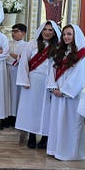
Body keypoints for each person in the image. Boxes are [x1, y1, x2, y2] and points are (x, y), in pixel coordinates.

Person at [46, 24, 85, 160]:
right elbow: (51, 71)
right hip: (57, 93)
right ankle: (55, 149)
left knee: (70, 124)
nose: (66, 37)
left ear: (75, 35)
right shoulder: (60, 51)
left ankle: (70, 153)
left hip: (71, 96)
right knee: (56, 122)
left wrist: (64, 91)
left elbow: (79, 75)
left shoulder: (83, 54)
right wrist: (53, 87)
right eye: (64, 34)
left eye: (69, 34)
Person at [15, 21, 60, 149]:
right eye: (45, 29)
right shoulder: (32, 44)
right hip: (33, 81)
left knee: (47, 110)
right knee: (32, 109)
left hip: (49, 82)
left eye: (50, 30)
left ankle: (45, 137)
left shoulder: (57, 47)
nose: (47, 32)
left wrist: (55, 84)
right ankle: (32, 136)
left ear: (55, 32)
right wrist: (24, 80)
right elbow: (24, 62)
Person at [4, 23, 28, 128]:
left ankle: (16, 117)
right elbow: (4, 55)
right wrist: (12, 57)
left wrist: (17, 57)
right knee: (7, 93)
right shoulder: (7, 43)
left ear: (23, 33)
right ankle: (7, 116)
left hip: (19, 72)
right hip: (7, 70)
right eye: (12, 31)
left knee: (17, 94)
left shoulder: (27, 45)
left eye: (16, 31)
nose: (13, 33)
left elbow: (27, 59)